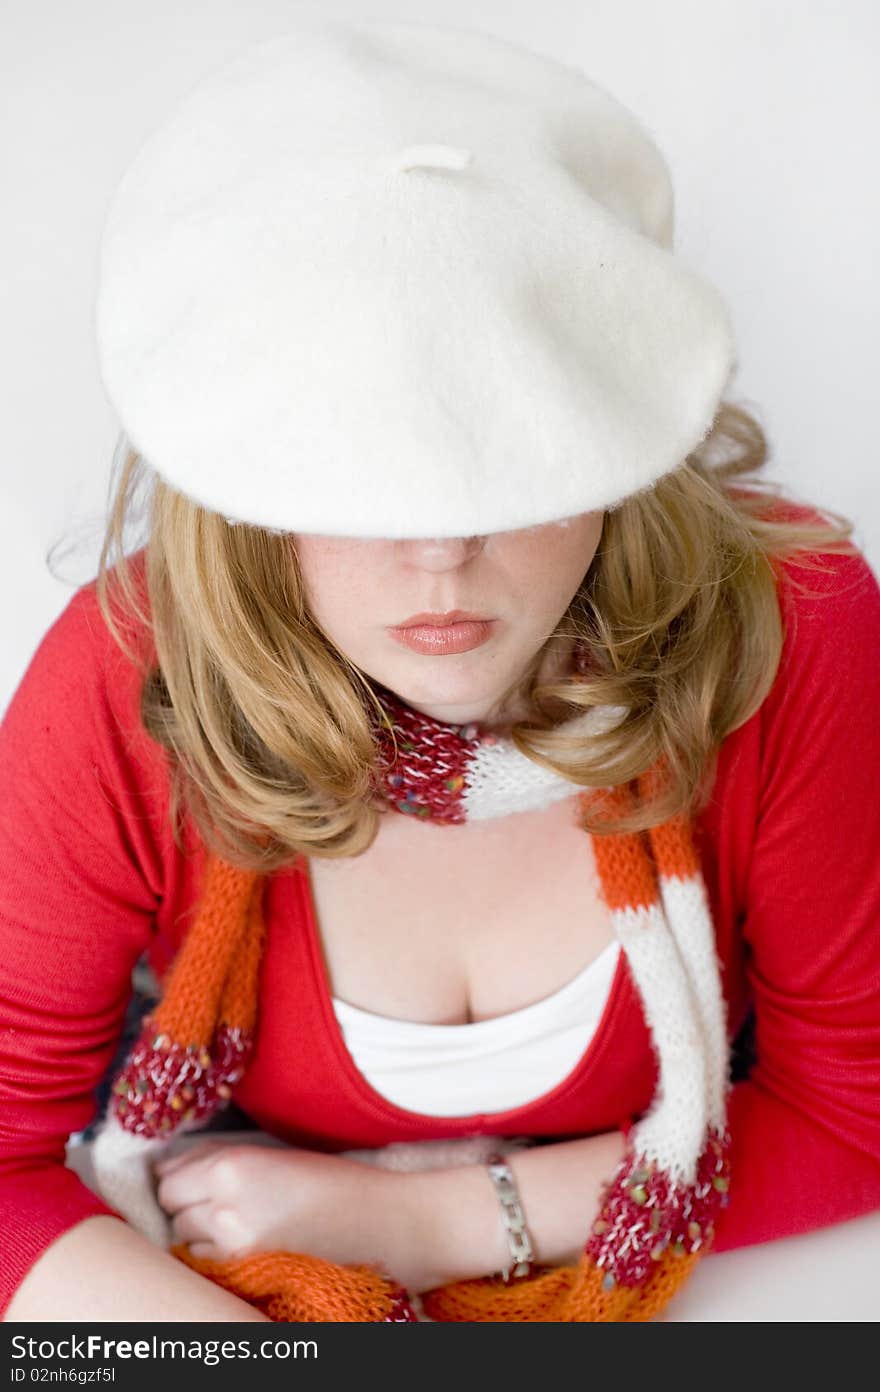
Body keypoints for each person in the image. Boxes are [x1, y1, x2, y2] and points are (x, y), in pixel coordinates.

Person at [2, 19, 880, 1322]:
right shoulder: (124, 679)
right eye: (358, 465)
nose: (439, 552)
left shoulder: (789, 627)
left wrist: (422, 1222)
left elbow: (855, 1111)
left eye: (509, 450)